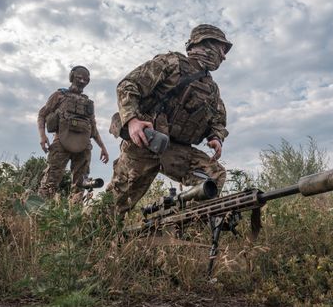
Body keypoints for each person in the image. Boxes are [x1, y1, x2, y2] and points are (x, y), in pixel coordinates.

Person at [108, 24, 232, 216]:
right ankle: (91, 236)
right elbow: (128, 85)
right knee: (118, 203)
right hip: (146, 142)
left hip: (176, 150)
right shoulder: (171, 63)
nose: (224, 56)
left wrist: (216, 137)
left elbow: (218, 120)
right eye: (221, 49)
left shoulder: (212, 88)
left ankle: (187, 225)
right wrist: (132, 120)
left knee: (213, 175)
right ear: (203, 44)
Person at [37, 65, 109, 204]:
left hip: (83, 145)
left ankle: (74, 219)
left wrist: (103, 147)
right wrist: (43, 136)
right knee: (50, 183)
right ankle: (39, 216)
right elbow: (42, 114)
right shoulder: (59, 95)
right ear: (72, 77)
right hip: (61, 143)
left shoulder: (88, 103)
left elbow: (93, 127)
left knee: (80, 185)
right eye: (79, 77)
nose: (82, 81)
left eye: (85, 79)